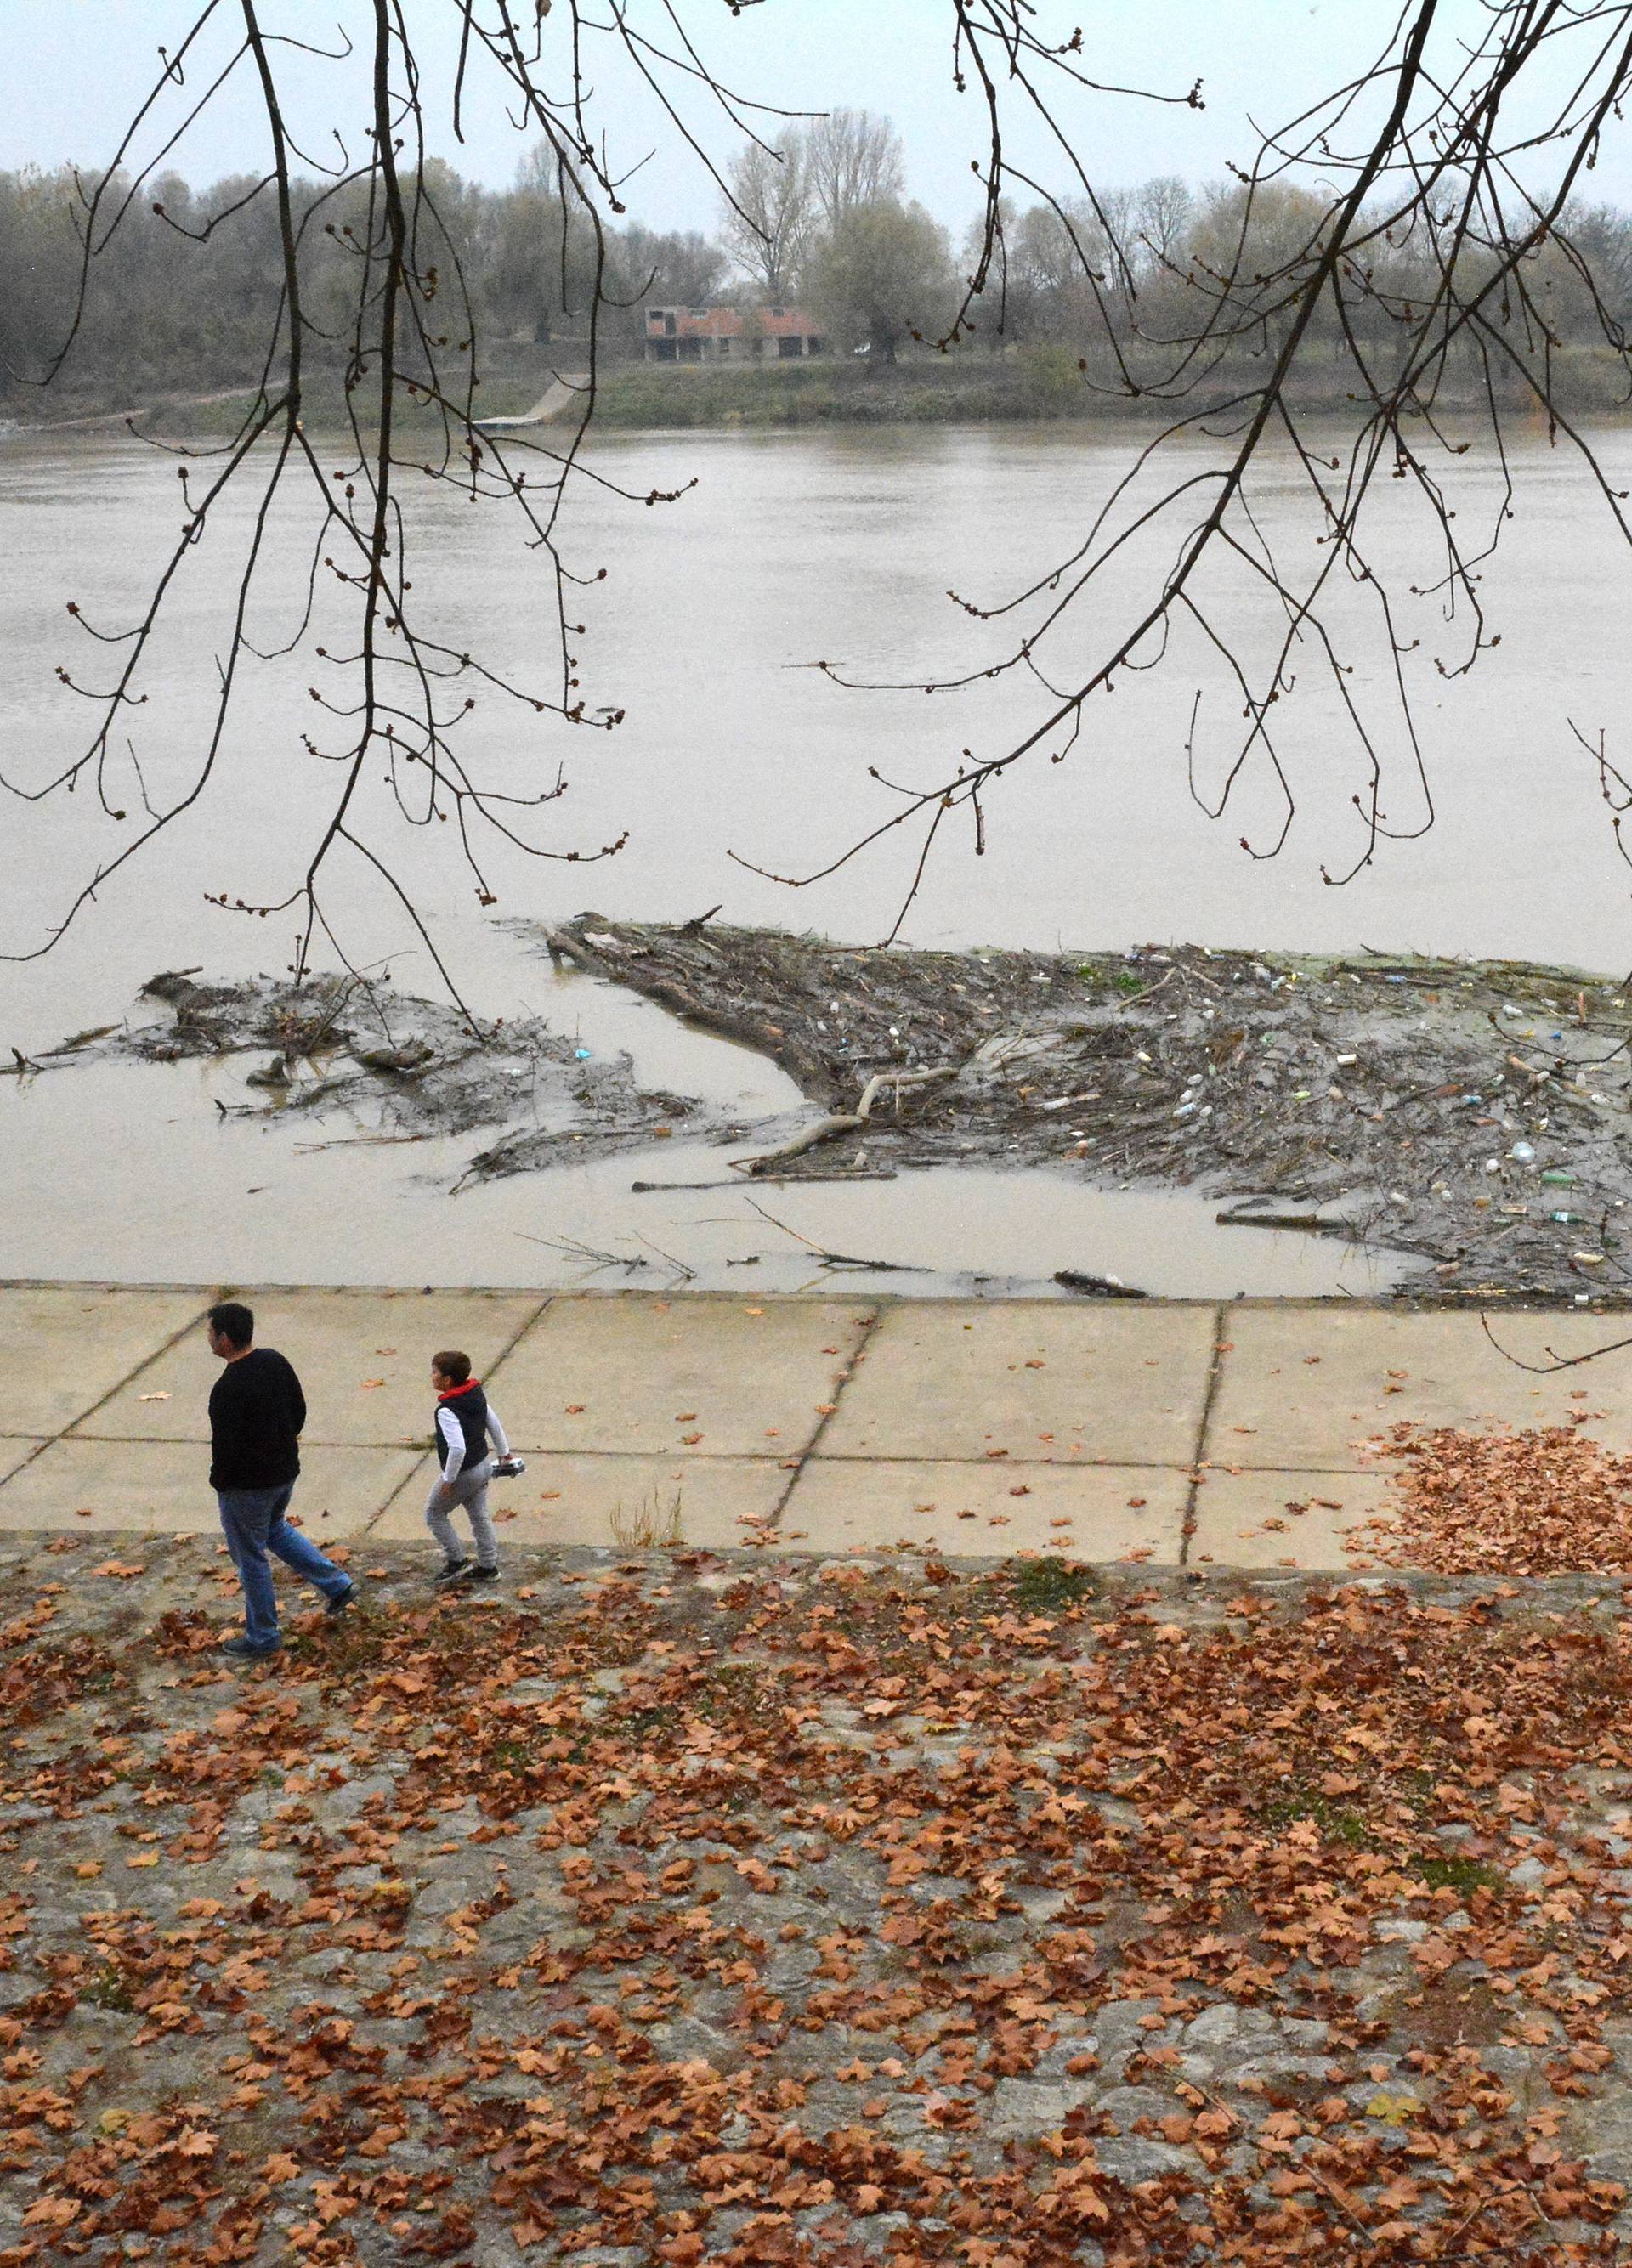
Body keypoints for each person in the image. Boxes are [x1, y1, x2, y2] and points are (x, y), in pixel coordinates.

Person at [206, 1301, 355, 1656]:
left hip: (246, 1488)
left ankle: (263, 1636)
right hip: (284, 1474)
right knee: (275, 1529)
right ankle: (337, 1585)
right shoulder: (274, 1361)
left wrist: (221, 1483)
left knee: (251, 1559)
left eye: (211, 1333)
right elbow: (298, 1410)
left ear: (224, 1340)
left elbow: (225, 1449)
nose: (208, 1339)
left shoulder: (227, 1389)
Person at [426, 1350, 513, 1588]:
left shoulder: (446, 1410)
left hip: (464, 1472)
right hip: (483, 1465)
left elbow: (457, 1449)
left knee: (434, 1513)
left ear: (448, 1381)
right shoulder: (475, 1394)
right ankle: (488, 1566)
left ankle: (456, 1560)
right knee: (479, 1515)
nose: (431, 1376)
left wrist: (448, 1479)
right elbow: (492, 1422)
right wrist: (504, 1453)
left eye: (435, 1372)